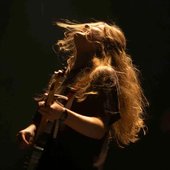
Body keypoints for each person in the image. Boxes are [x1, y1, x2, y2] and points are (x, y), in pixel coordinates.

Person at [17, 20, 148, 170]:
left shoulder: (103, 75)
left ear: (103, 44)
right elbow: (49, 115)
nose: (86, 26)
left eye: (96, 29)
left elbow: (98, 129)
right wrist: (33, 128)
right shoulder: (70, 74)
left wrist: (63, 114)